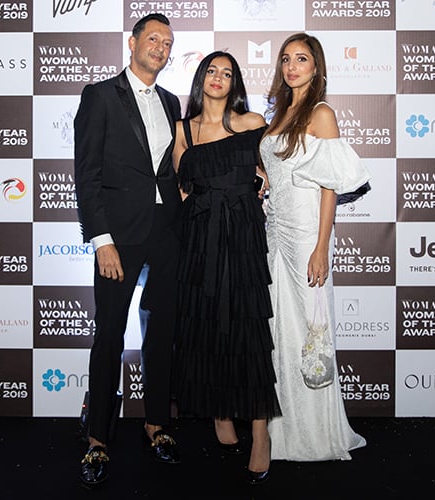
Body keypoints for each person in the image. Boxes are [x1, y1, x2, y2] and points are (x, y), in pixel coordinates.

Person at [73, 13, 182, 488]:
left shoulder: (172, 101)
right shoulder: (100, 96)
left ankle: (157, 425)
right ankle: (98, 437)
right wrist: (102, 240)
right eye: (153, 38)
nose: (161, 47)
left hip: (168, 232)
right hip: (118, 237)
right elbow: (87, 174)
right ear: (132, 43)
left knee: (162, 334)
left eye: (168, 42)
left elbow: (173, 168)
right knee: (110, 334)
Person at [259, 33, 370, 461]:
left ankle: (317, 435)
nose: (292, 66)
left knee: (310, 331)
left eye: (301, 59)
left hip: (307, 235)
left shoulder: (321, 113)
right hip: (275, 232)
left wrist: (322, 246)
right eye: (286, 59)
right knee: (279, 332)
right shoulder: (278, 114)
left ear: (316, 67)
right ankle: (280, 430)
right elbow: (279, 170)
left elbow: (329, 186)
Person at [172, 51, 281, 485]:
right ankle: (220, 412)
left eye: (227, 73)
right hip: (200, 238)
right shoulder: (183, 130)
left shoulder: (252, 122)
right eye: (212, 71)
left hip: (243, 233)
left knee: (247, 330)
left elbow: (272, 170)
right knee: (206, 327)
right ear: (201, 79)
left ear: (235, 83)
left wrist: (262, 177)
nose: (218, 77)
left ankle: (260, 430)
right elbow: (181, 187)